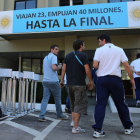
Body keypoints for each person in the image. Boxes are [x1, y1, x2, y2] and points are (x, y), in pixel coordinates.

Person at [92, 34, 135, 138]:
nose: (99, 43)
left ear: (104, 40)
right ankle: (128, 128)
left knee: (100, 104)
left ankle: (98, 130)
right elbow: (126, 65)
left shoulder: (99, 50)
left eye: (99, 41)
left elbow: (94, 65)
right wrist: (132, 79)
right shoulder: (120, 50)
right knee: (121, 104)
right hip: (116, 80)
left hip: (102, 80)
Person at [60, 39, 94, 134]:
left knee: (73, 104)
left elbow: (63, 70)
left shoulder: (68, 56)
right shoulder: (83, 55)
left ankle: (73, 122)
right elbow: (87, 70)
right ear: (81, 46)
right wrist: (91, 81)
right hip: (79, 84)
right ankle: (75, 127)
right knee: (78, 105)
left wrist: (62, 81)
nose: (84, 45)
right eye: (84, 44)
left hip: (69, 84)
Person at [39, 44, 68, 121]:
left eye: (58, 49)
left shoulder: (45, 58)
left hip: (45, 81)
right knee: (57, 99)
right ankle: (60, 115)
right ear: (51, 50)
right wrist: (60, 66)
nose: (57, 51)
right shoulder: (54, 57)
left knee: (45, 99)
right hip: (53, 81)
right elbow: (54, 68)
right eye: (55, 49)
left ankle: (41, 116)